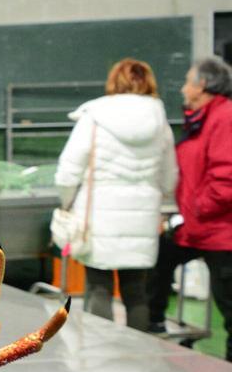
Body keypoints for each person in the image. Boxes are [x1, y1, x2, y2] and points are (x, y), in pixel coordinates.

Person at [54, 59, 177, 331]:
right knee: (136, 291)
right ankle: (138, 351)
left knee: (99, 286)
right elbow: (169, 179)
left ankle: (101, 350)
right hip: (142, 219)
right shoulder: (161, 124)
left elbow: (67, 172)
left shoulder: (94, 118)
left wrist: (67, 202)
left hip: (98, 217)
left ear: (114, 81)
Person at [148, 57, 232, 356]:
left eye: (187, 82)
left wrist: (197, 209)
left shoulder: (225, 117)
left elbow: (226, 179)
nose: (183, 88)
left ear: (203, 85)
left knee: (229, 304)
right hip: (197, 227)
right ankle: (154, 324)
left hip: (221, 232)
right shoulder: (200, 119)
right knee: (158, 259)